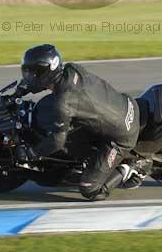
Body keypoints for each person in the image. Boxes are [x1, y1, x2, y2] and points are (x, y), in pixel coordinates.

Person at [15, 43, 144, 200]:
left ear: (46, 71)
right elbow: (48, 83)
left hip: (123, 136)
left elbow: (57, 142)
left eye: (32, 73)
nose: (29, 77)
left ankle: (130, 167)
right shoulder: (71, 69)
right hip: (124, 104)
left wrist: (32, 153)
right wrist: (24, 89)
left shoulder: (64, 102)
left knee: (89, 190)